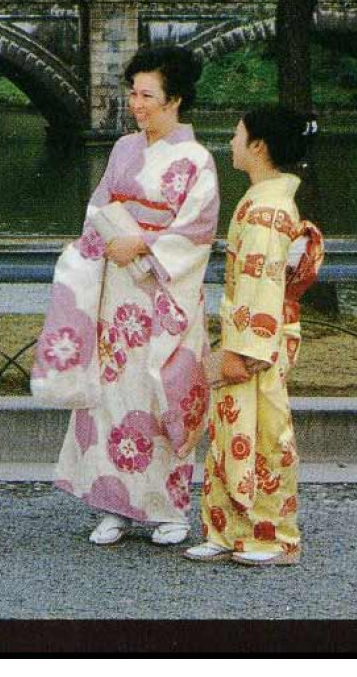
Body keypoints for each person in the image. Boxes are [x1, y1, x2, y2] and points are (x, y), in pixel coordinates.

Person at [31, 45, 219, 547]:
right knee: (113, 396)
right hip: (117, 293)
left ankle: (169, 508)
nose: (137, 104)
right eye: (133, 93)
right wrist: (105, 244)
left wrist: (145, 242)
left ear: (175, 99)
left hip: (162, 297)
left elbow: (197, 234)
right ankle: (112, 502)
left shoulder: (197, 161)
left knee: (161, 397)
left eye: (148, 95)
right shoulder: (123, 150)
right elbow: (98, 209)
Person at [185, 105, 323, 567]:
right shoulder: (264, 200)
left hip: (256, 338)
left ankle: (272, 536)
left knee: (263, 434)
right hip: (247, 328)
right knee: (231, 431)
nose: (231, 142)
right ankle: (228, 530)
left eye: (237, 134)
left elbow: (261, 286)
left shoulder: (268, 209)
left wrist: (244, 351)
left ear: (259, 146)